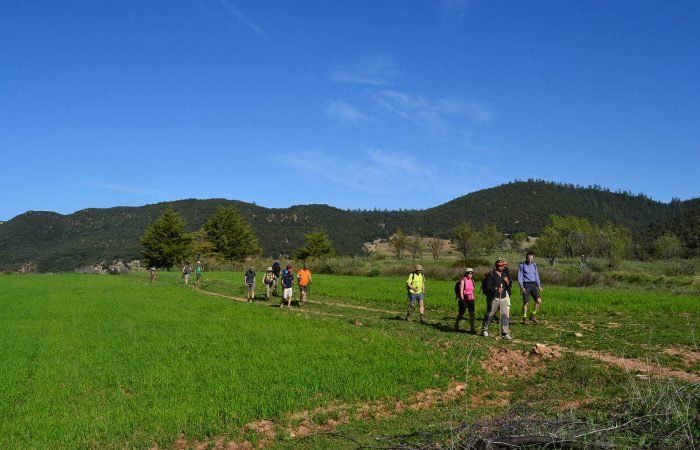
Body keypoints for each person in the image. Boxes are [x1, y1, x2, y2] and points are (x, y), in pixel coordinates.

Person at [481, 259, 512, 340]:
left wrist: (507, 282)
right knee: (490, 314)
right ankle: (485, 329)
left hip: (503, 297)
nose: (502, 267)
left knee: (504, 316)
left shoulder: (504, 274)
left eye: (503, 265)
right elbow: (488, 287)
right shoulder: (491, 274)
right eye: (500, 265)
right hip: (494, 297)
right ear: (496, 266)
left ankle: (505, 333)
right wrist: (496, 288)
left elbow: (508, 286)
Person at [518, 251, 543, 324]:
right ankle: (525, 317)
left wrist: (539, 285)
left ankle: (533, 315)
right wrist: (522, 287)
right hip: (526, 285)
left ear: (533, 258)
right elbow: (520, 277)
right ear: (526, 258)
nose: (530, 260)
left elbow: (536, 275)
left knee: (538, 301)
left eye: (531, 258)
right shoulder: (522, 266)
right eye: (529, 258)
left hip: (533, 285)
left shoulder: (534, 265)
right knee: (526, 303)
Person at [455, 268, 477, 334]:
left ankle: (472, 328)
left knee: (472, 314)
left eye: (471, 273)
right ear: (466, 273)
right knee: (461, 313)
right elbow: (461, 291)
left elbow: (472, 290)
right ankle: (456, 324)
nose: (470, 274)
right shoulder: (463, 280)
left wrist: (473, 297)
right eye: (468, 273)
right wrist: (462, 300)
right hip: (464, 298)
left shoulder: (472, 280)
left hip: (471, 299)